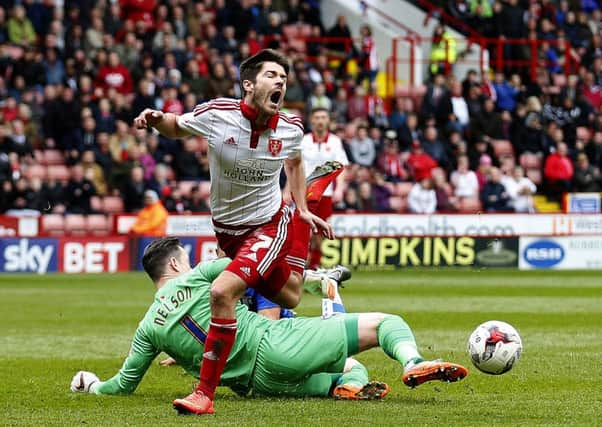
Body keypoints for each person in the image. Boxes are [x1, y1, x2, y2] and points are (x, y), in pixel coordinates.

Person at [133, 49, 340, 414]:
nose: (281, 82)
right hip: (227, 231)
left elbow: (293, 161)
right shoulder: (218, 115)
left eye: (284, 78)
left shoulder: (291, 128)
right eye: (272, 75)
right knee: (291, 297)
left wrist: (302, 210)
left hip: (266, 225)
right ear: (248, 84)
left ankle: (204, 395)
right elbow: (176, 126)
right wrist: (155, 119)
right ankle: (306, 230)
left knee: (222, 291)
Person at [70, 238, 468, 411]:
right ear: (175, 265)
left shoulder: (148, 328)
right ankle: (412, 362)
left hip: (256, 386)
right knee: (386, 323)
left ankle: (344, 386)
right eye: (185, 259)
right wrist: (314, 278)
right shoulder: (200, 276)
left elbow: (121, 386)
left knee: (345, 372)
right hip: (274, 344)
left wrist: (91, 385)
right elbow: (259, 268)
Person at [298, 108, 349, 269]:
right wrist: (287, 190)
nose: (320, 120)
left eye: (323, 117)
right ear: (312, 120)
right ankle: (302, 265)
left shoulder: (335, 141)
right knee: (302, 229)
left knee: (319, 231)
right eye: (317, 117)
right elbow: (295, 167)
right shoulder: (304, 141)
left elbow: (341, 167)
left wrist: (340, 188)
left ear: (328, 121)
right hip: (303, 192)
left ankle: (314, 265)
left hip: (325, 193)